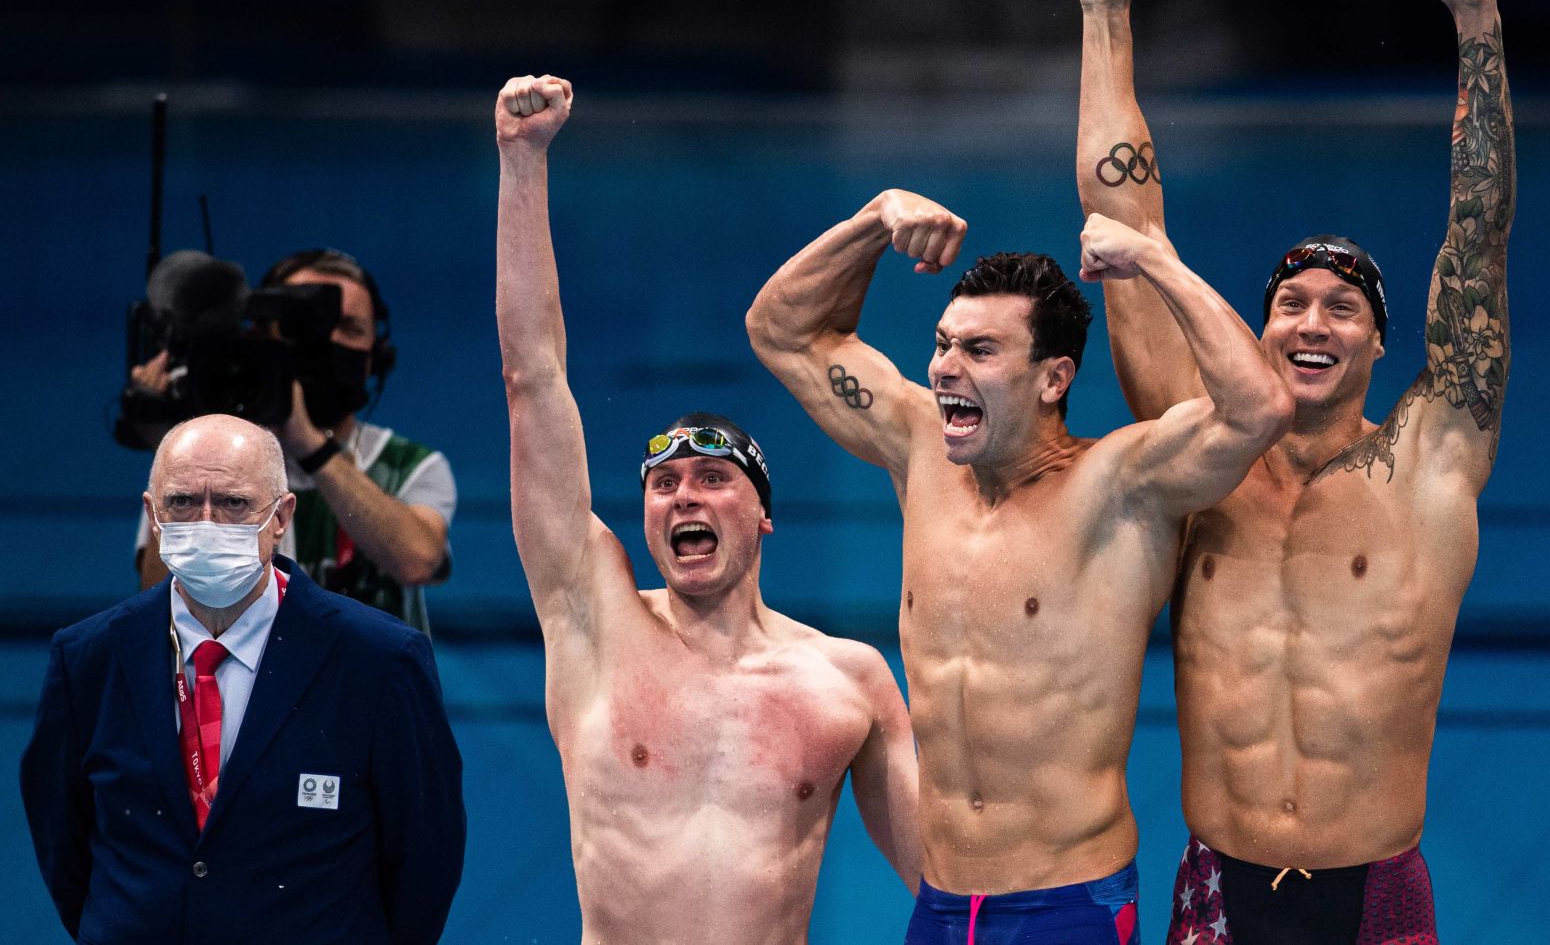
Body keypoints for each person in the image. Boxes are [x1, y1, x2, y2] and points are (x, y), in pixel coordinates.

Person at [1076, 0, 1513, 943]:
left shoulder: (1429, 458)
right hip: (1218, 890)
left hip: (1371, 895)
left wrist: (1476, 21)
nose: (1311, 323)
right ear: (1261, 328)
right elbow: (1126, 226)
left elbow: (1480, 233)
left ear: (1376, 345)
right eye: (1290, 303)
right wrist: (1105, 17)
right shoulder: (1203, 456)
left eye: (1341, 308)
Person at [747, 176, 1293, 937]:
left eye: (978, 350)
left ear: (1053, 379)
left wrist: (1155, 260)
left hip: (1067, 905)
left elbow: (1258, 407)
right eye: (941, 345)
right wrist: (871, 221)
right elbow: (780, 330)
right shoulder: (919, 450)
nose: (943, 369)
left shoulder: (1120, 485)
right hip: (940, 906)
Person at [495, 72, 922, 943]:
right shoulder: (592, 619)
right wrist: (521, 163)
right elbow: (533, 378)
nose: (684, 493)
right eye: (663, 483)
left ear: (763, 515)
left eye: (711, 477)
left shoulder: (849, 680)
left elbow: (947, 884)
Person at [21, 413, 466, 944]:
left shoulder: (380, 660)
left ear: (281, 517)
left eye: (233, 503)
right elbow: (62, 844)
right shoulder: (86, 659)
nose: (206, 523)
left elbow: (424, 859)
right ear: (152, 514)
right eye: (182, 502)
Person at [133, 248, 455, 633]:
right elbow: (157, 600)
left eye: (350, 328)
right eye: (302, 327)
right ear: (261, 333)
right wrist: (175, 449)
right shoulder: (206, 468)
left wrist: (311, 445)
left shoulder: (408, 465)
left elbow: (418, 559)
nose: (326, 342)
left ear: (376, 356)